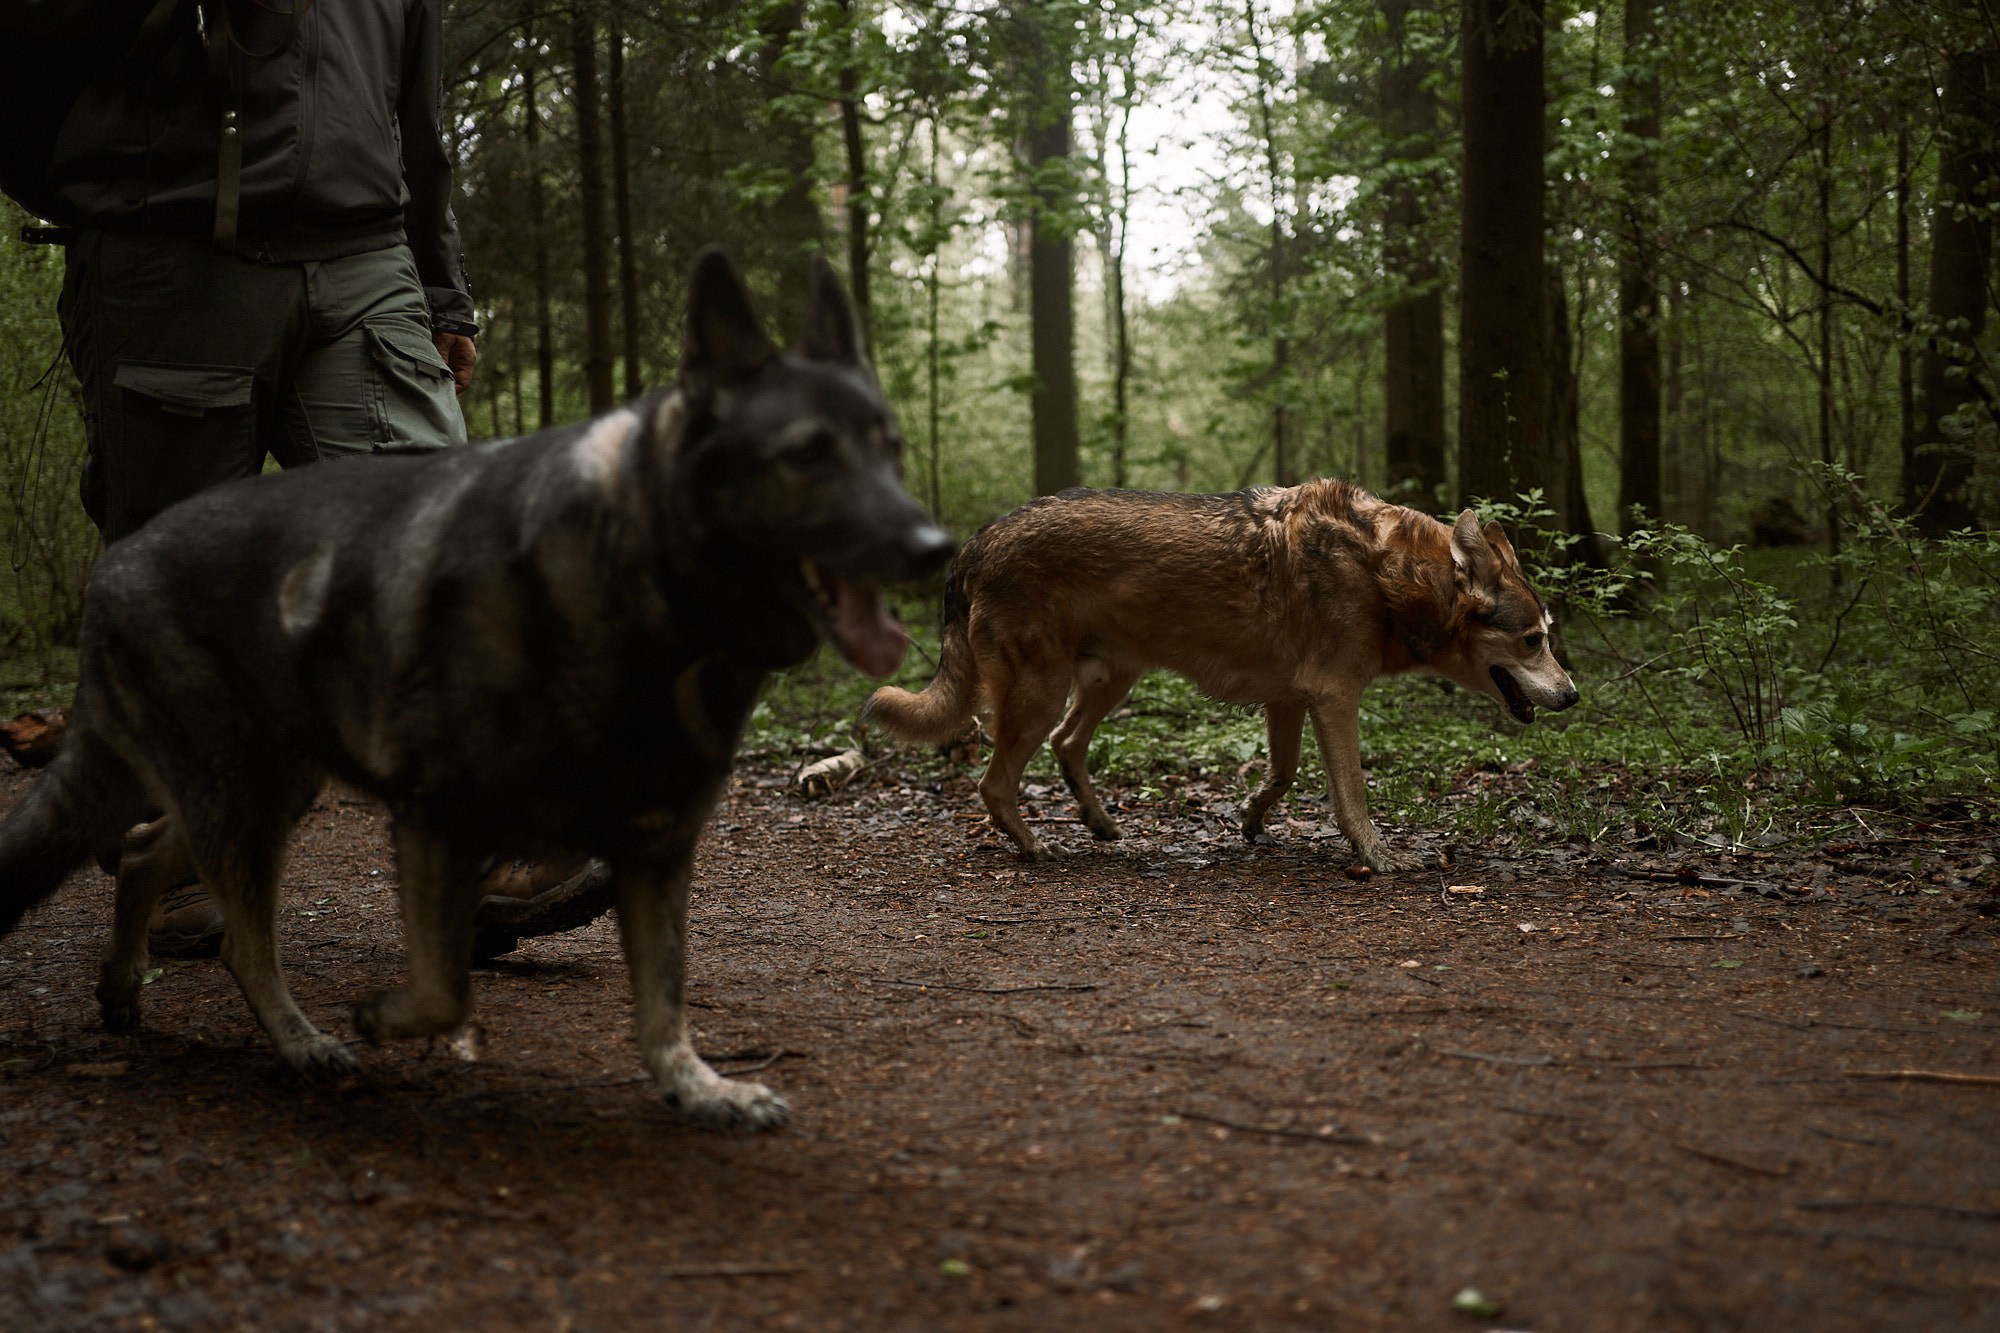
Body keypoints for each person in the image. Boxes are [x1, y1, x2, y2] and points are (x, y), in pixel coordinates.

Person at [7, 0, 607, 958]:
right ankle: (177, 855)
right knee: (183, 576)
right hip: (168, 258)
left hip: (366, 259)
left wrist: (441, 289)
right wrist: (109, 190)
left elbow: (417, 119)